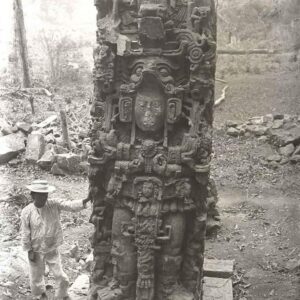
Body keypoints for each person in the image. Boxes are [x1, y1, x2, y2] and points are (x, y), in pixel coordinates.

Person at [20, 180, 90, 300]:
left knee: (60, 275)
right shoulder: (27, 211)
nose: (44, 197)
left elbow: (69, 205)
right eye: (40, 195)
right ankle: (39, 295)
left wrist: (86, 199)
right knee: (36, 275)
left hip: (52, 247)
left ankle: (62, 295)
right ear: (33, 195)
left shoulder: (53, 204)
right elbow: (25, 232)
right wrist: (29, 250)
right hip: (36, 249)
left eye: (45, 194)